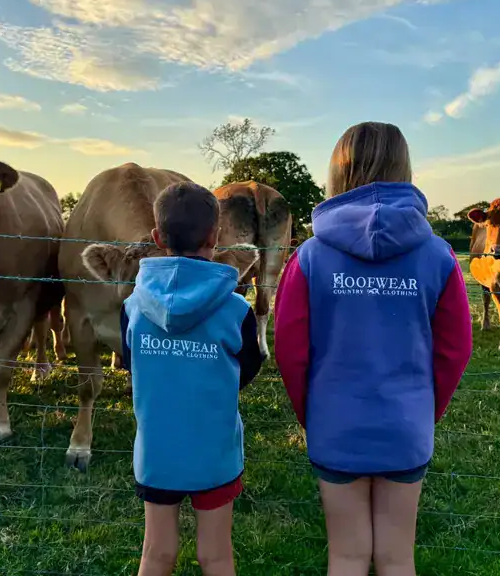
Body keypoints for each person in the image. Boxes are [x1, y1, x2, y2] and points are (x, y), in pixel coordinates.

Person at [273, 121, 473, 576]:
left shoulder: (308, 258)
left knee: (345, 556)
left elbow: (289, 350)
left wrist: (314, 414)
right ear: (405, 170)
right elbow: (455, 351)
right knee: (398, 558)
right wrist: (423, 410)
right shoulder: (439, 257)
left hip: (335, 425)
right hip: (406, 426)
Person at [119, 181, 265, 576]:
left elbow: (133, 364)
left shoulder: (133, 307)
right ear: (215, 237)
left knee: (156, 553)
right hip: (214, 451)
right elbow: (248, 366)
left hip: (157, 452)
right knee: (216, 555)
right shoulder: (236, 310)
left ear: (156, 238)